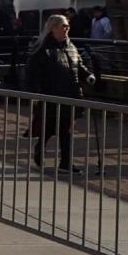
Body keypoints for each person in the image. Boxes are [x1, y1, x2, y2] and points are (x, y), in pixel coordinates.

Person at [26, 14, 95, 172]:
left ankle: (65, 163)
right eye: (63, 26)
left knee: (67, 129)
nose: (67, 29)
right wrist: (35, 94)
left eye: (67, 26)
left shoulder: (70, 46)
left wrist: (88, 75)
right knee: (50, 127)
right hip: (51, 94)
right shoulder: (43, 49)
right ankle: (40, 147)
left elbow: (78, 65)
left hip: (71, 94)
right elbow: (33, 73)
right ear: (53, 28)